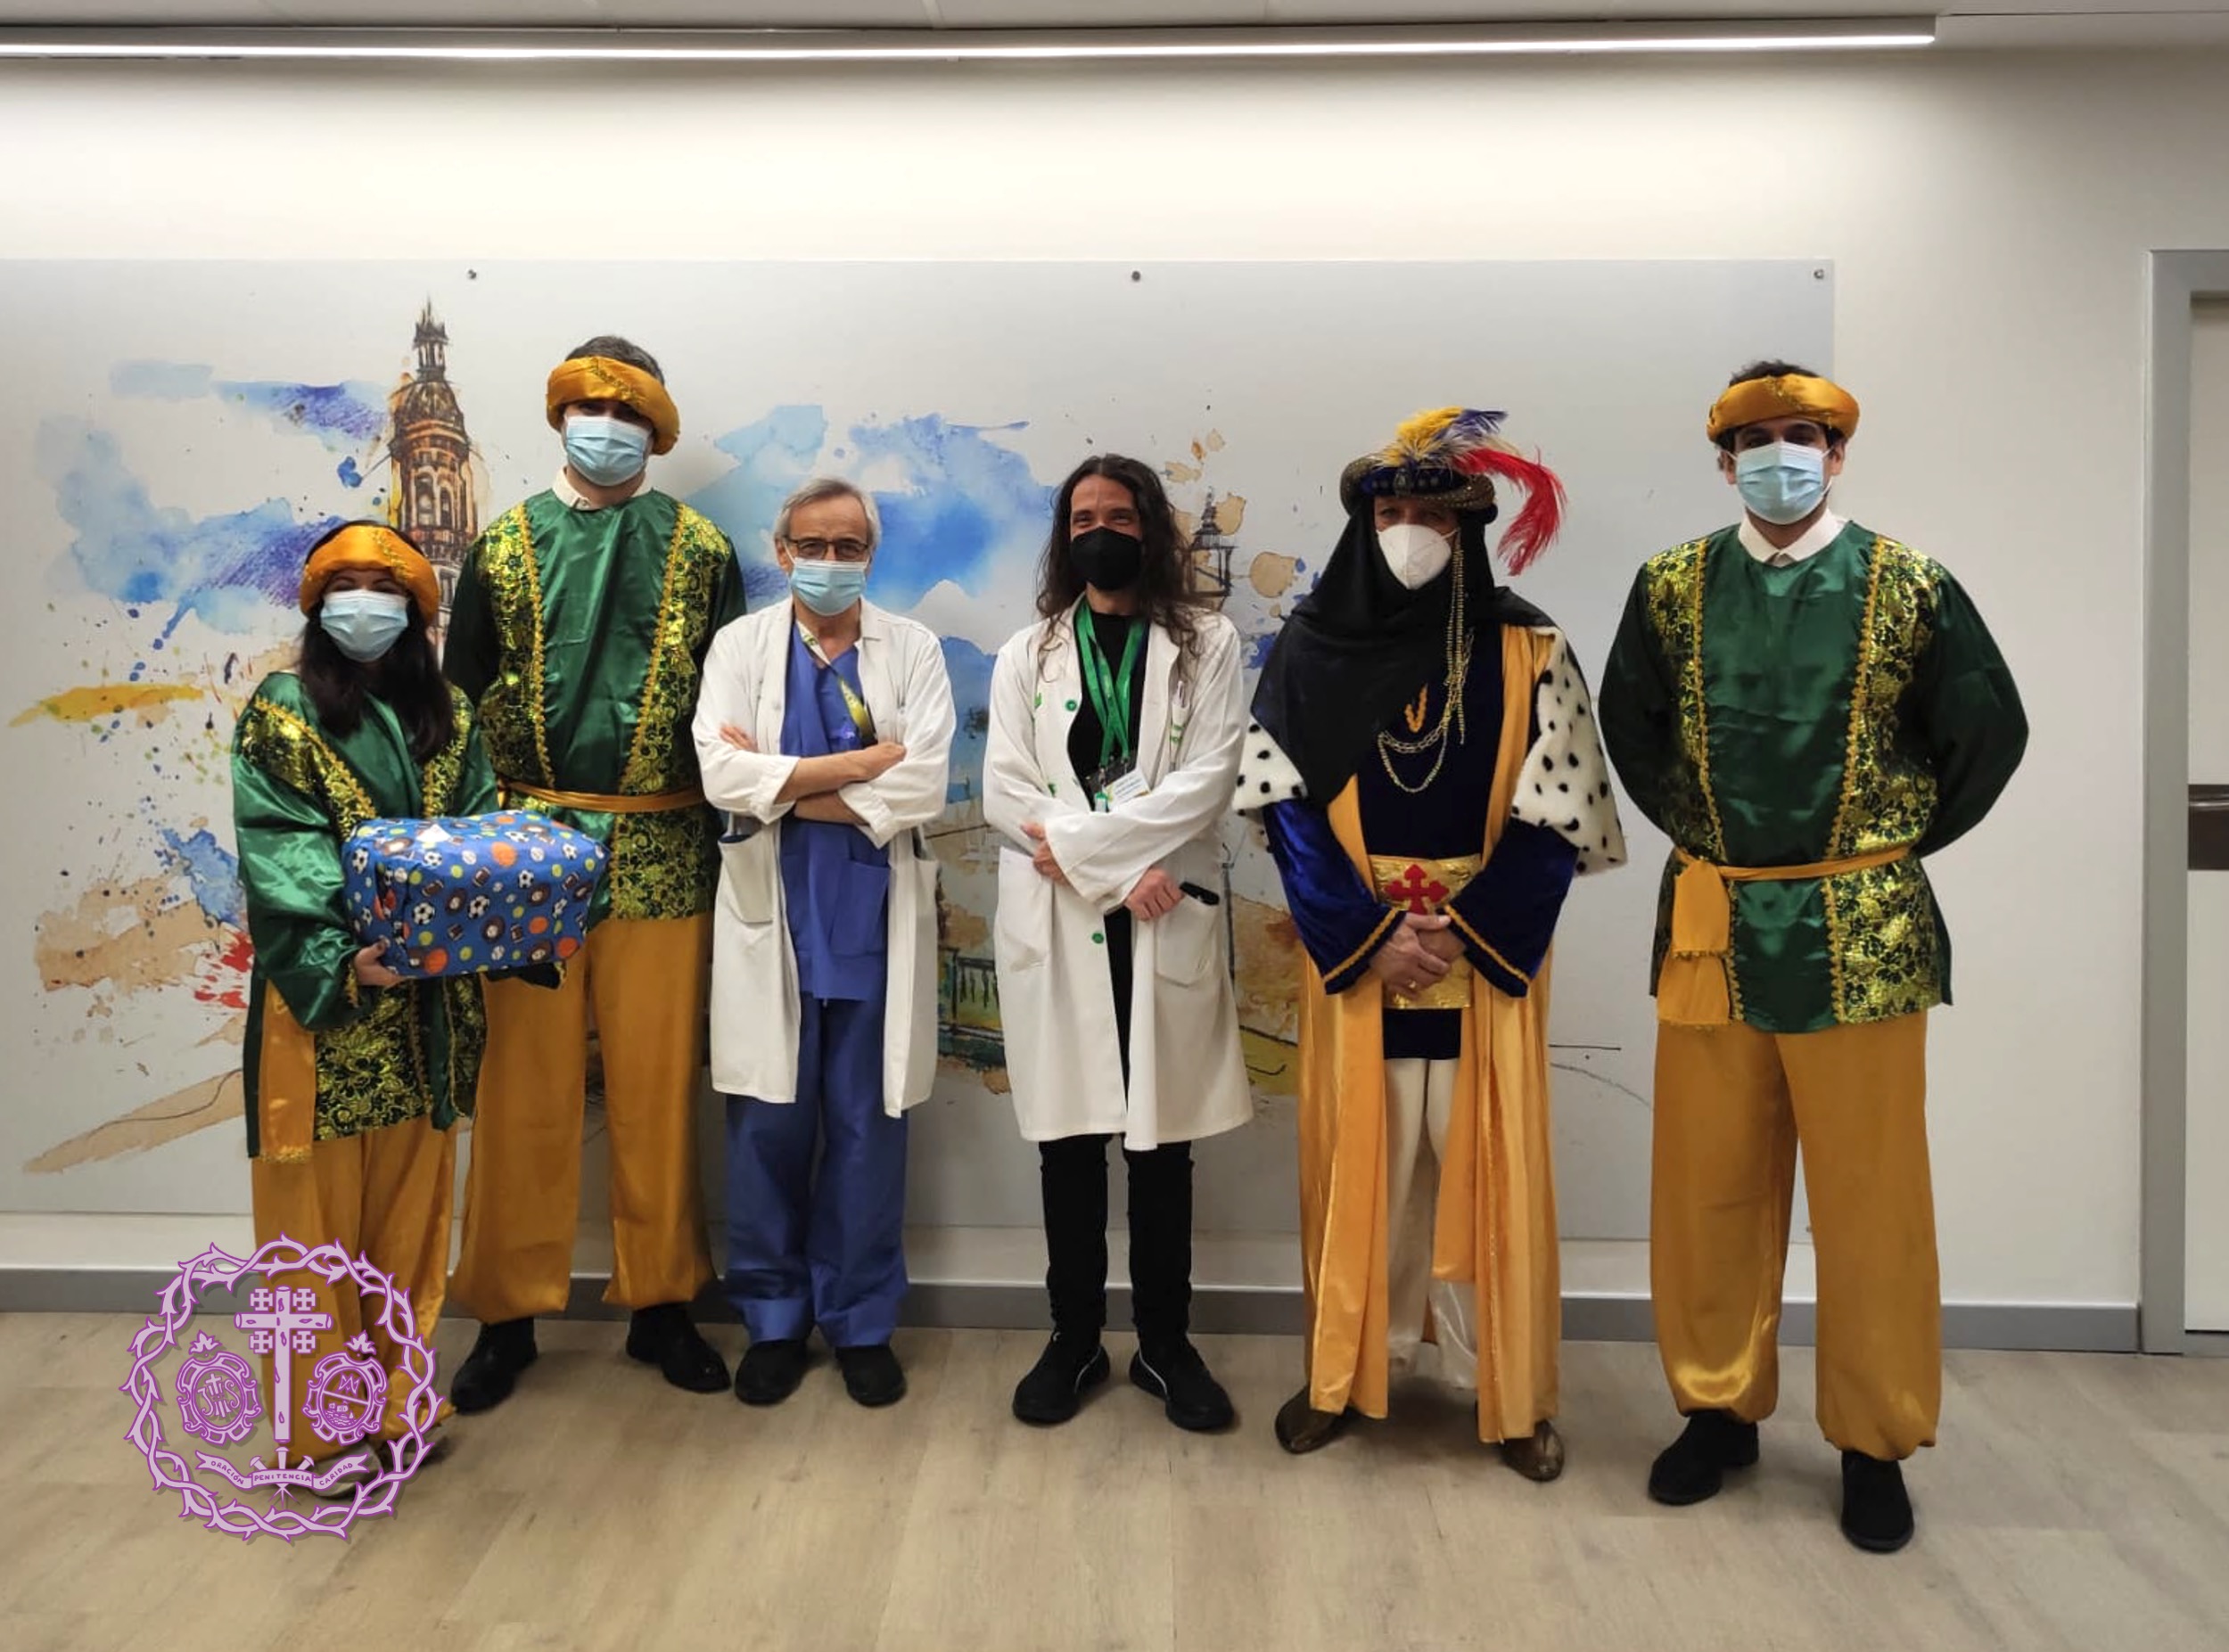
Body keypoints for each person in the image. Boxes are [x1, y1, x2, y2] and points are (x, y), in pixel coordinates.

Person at [1600, 362, 2027, 1553]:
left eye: (1801, 434)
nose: (1778, 454)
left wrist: (1880, 845)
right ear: (1722, 459)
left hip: (1862, 929)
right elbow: (1632, 725)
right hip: (1717, 920)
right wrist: (1716, 834)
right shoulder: (1671, 585)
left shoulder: (1910, 585)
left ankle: (1873, 1440)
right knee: (1707, 1183)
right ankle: (1716, 1408)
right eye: (1755, 438)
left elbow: (1987, 730)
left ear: (1837, 453)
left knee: (1871, 1199)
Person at [1240, 408, 1624, 1478]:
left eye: (1433, 515)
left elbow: (1558, 811)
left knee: (1486, 1169)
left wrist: (1462, 930)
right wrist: (1366, 934)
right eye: (1391, 513)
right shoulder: (1305, 651)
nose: (1410, 530)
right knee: (1361, 1169)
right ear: (1363, 525)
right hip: (1360, 954)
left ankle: (1508, 1390)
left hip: (1478, 956)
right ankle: (1342, 1372)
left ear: (1470, 530)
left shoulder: (1530, 647)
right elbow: (1284, 809)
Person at [443, 335, 743, 1410]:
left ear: (654, 429)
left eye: (626, 411)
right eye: (588, 406)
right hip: (525, 847)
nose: (604, 427)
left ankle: (662, 1301)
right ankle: (505, 1312)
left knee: (659, 1083)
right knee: (520, 1085)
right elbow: (460, 700)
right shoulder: (502, 544)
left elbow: (731, 705)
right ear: (560, 414)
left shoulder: (702, 550)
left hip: (663, 841)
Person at [983, 456, 1251, 1433]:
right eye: (1083, 516)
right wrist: (1111, 872)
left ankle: (1167, 1346)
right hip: (1071, 915)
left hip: (1159, 910)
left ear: (1152, 529)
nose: (1102, 530)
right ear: (1066, 535)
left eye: (1121, 515)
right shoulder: (1028, 653)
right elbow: (1004, 792)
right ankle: (1075, 1337)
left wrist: (1107, 860)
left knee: (1161, 1147)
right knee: (1068, 1143)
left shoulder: (1206, 643)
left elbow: (1207, 780)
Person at [233, 521, 497, 1477]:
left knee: (408, 1224)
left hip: (425, 1009)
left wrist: (478, 926)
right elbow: (280, 847)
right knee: (312, 1234)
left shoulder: (451, 715)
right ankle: (319, 1433)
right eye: (345, 585)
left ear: (419, 609)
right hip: (326, 1009)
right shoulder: (284, 710)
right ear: (316, 603)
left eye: (387, 588)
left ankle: (398, 1407)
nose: (366, 603)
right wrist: (346, 956)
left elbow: (478, 834)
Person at [692, 477, 955, 1410]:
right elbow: (720, 775)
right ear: (782, 550)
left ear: (871, 555)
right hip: (774, 917)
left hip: (874, 922)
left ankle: (861, 1322)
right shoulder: (741, 647)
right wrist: (855, 768)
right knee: (766, 1126)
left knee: (866, 1128)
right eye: (813, 544)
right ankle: (772, 1319)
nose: (830, 561)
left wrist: (789, 789)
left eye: (849, 546)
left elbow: (923, 786)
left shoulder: (912, 649)